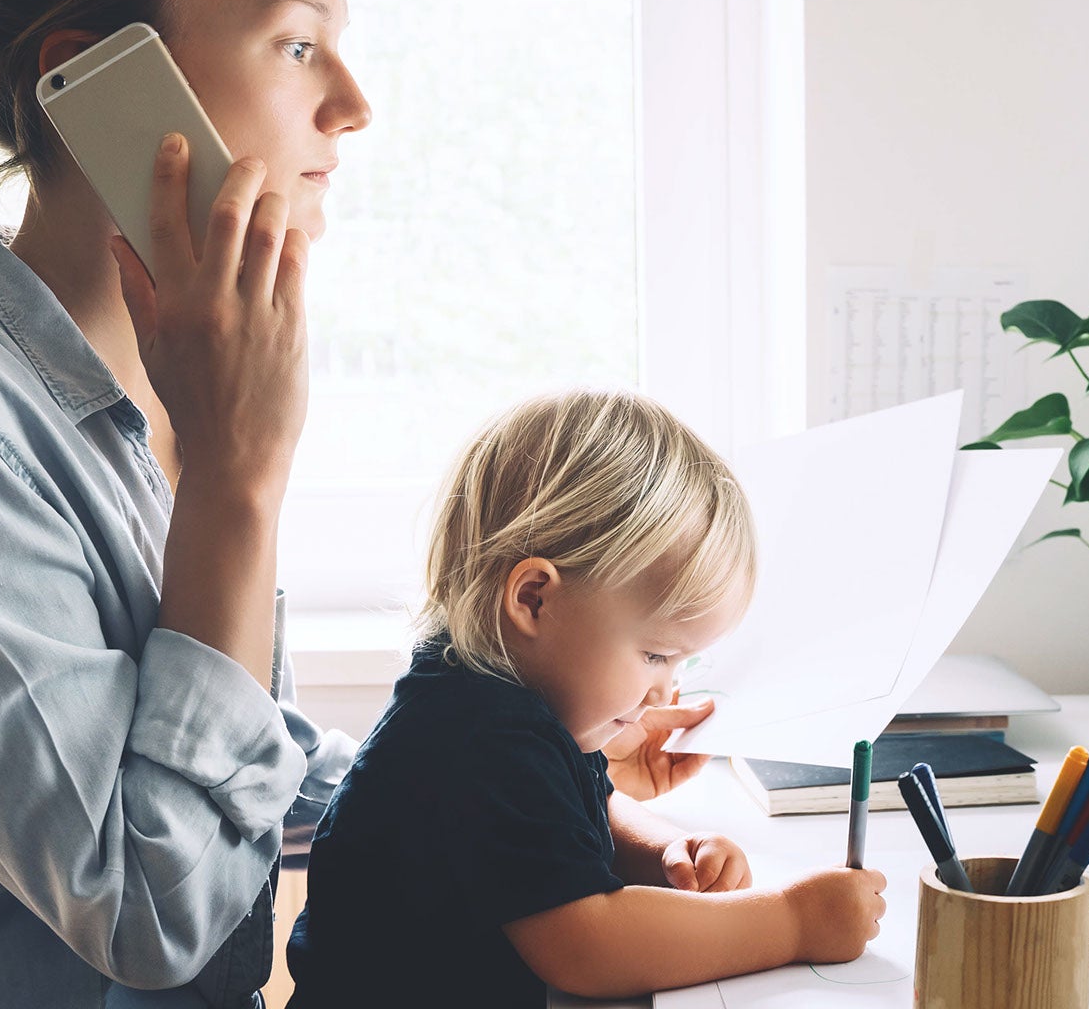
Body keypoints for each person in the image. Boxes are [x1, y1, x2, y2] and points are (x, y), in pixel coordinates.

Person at [0, 0, 710, 1005]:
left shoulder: (177, 386)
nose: (352, 102)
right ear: (92, 81)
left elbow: (227, 773)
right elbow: (153, 912)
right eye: (294, 44)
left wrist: (528, 780)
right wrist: (236, 477)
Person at [285, 391, 887, 1007]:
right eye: (654, 655)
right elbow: (587, 944)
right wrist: (792, 921)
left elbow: (586, 806)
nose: (665, 689)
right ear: (534, 599)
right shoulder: (481, 737)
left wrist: (665, 851)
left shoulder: (500, 698)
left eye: (682, 662)